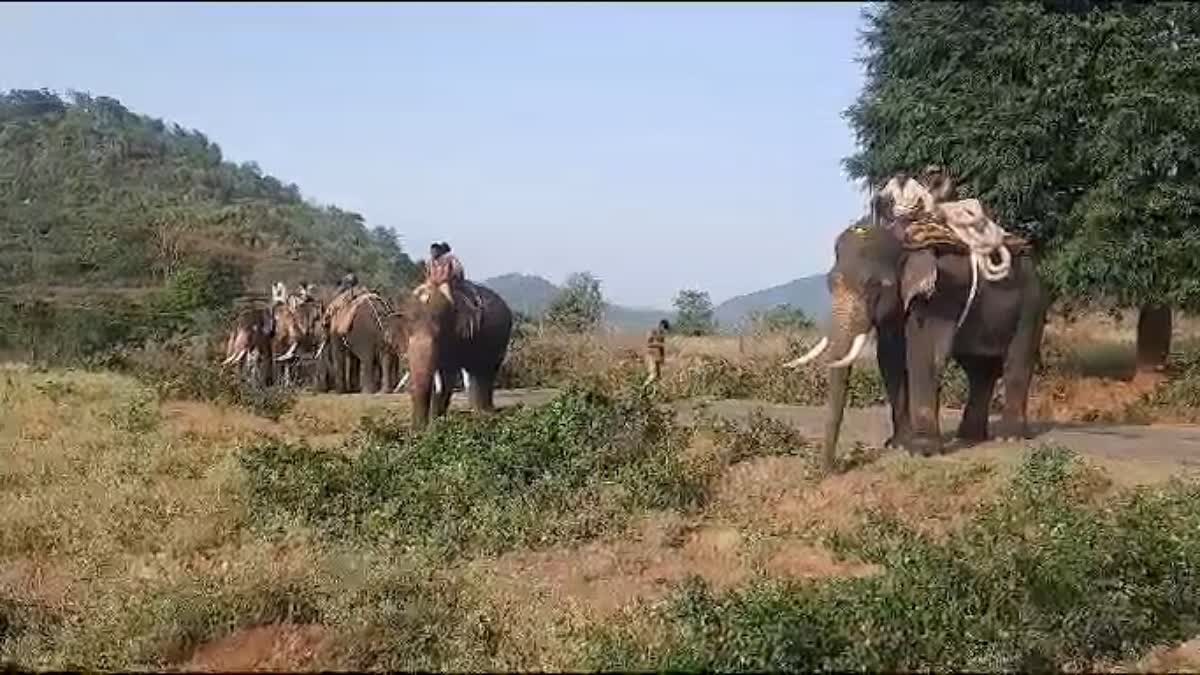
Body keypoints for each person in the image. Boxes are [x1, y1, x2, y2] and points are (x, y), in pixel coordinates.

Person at [644, 319, 670, 385]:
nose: (665, 331)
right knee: (652, 375)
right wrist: (659, 344)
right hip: (650, 356)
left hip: (657, 357)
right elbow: (648, 344)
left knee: (658, 377)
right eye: (664, 328)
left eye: (666, 329)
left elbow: (662, 347)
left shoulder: (662, 335)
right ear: (661, 325)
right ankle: (643, 389)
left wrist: (663, 358)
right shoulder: (652, 332)